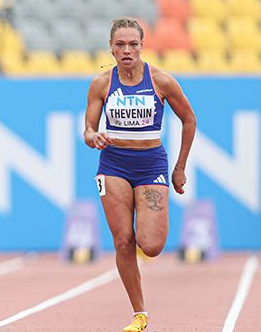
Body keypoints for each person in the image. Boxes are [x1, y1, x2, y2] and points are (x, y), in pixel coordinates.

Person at [84, 17, 196, 332]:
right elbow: (88, 130)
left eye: (133, 44)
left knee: (151, 245)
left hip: (150, 164)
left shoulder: (162, 81)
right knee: (122, 241)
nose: (127, 50)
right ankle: (139, 313)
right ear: (111, 48)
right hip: (114, 163)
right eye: (120, 45)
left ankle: (147, 224)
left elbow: (189, 120)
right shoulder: (101, 84)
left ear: (142, 46)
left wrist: (179, 167)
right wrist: (93, 137)